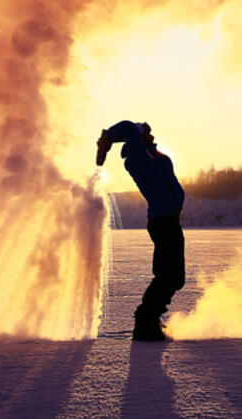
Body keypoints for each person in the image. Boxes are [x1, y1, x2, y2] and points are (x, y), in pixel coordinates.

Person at [96, 120, 185, 341]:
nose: (151, 135)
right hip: (163, 222)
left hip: (169, 221)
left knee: (173, 277)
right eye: (146, 133)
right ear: (136, 138)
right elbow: (127, 126)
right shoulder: (138, 158)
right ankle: (145, 321)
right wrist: (109, 137)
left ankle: (150, 318)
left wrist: (137, 132)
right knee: (169, 276)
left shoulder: (151, 155)